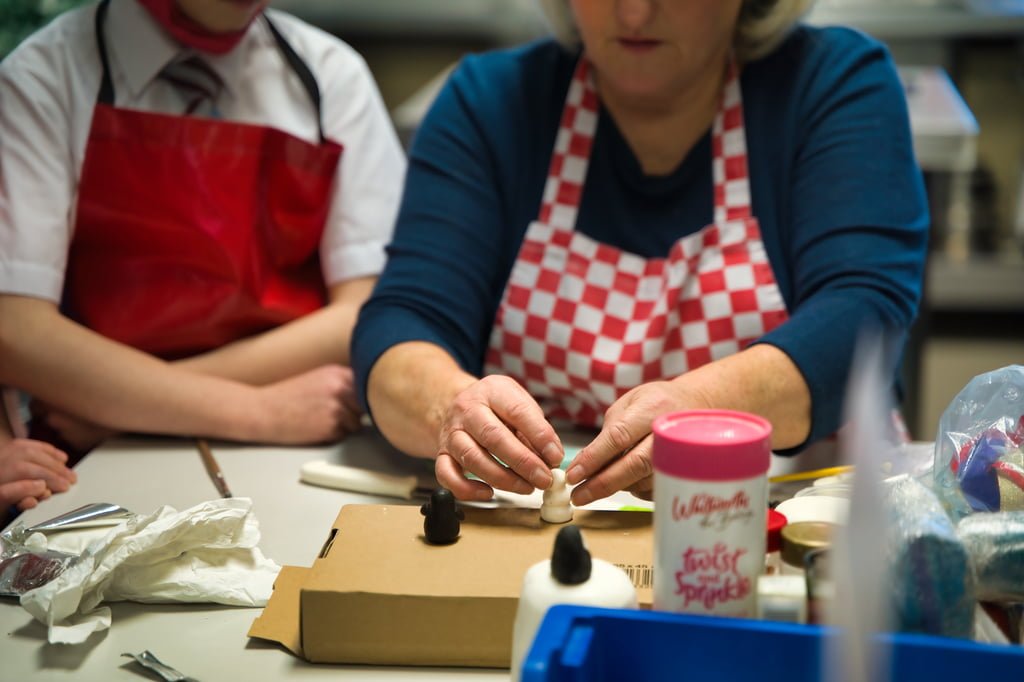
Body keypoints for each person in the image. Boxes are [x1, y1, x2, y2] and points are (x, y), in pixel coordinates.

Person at [351, 0, 929, 506]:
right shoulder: (493, 102)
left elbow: (862, 315)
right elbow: (403, 321)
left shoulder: (831, 84)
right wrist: (451, 408)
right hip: (528, 525)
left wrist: (699, 407)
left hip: (784, 512)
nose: (632, 12)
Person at [0, 0, 406, 454]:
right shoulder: (42, 80)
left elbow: (366, 311)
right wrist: (259, 411)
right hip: (92, 459)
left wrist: (118, 406)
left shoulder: (333, 75)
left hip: (292, 444)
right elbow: (17, 330)